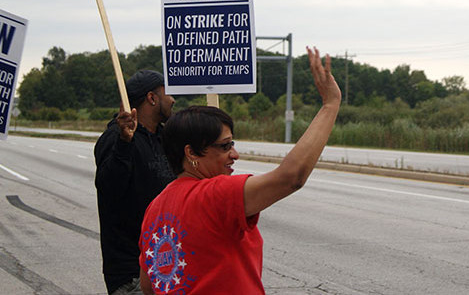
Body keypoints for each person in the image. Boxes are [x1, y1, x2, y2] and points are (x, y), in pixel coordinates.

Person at [138, 47, 341, 295]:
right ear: (190, 153)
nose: (234, 154)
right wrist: (330, 105)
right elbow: (291, 177)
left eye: (232, 144)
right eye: (224, 146)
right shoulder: (214, 194)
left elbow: (149, 285)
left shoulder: (154, 208)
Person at [95, 70, 177, 294]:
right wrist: (124, 143)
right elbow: (109, 189)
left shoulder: (165, 138)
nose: (173, 99)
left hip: (168, 266)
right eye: (167, 93)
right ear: (152, 98)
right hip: (132, 273)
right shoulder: (115, 138)